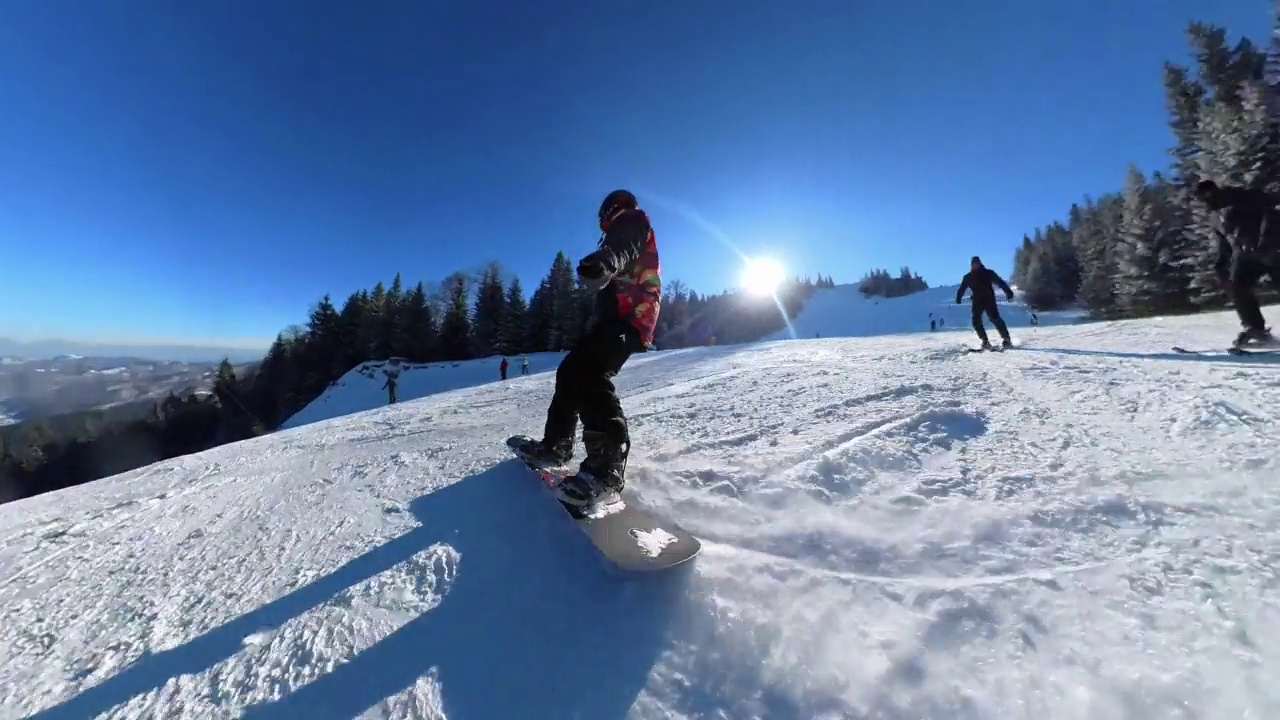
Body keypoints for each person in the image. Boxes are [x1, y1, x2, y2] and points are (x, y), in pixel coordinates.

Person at [511, 189, 661, 506]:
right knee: (571, 372)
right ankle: (556, 446)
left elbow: (624, 247)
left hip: (629, 319)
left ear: (611, 210)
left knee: (589, 374)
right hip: (618, 320)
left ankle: (606, 470)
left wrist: (605, 261)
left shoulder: (632, 220)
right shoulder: (624, 226)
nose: (601, 221)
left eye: (602, 215)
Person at [1194, 179, 1280, 347]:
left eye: (1204, 194)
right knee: (1238, 287)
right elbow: (1224, 241)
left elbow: (1271, 213)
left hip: (1271, 246)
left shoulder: (1240, 196)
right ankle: (1256, 330)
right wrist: (1221, 263)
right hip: (1245, 254)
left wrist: (1268, 241)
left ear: (1211, 190)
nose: (1203, 199)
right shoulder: (1214, 216)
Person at [956, 255, 1014, 349]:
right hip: (977, 301)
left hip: (989, 299)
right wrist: (959, 297)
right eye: (973, 264)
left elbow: (1000, 282)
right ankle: (985, 340)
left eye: (977, 263)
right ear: (971, 265)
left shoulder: (988, 273)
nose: (975, 265)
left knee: (995, 318)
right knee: (976, 321)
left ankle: (1006, 339)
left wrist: (1008, 292)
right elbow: (962, 288)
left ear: (980, 263)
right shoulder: (968, 277)